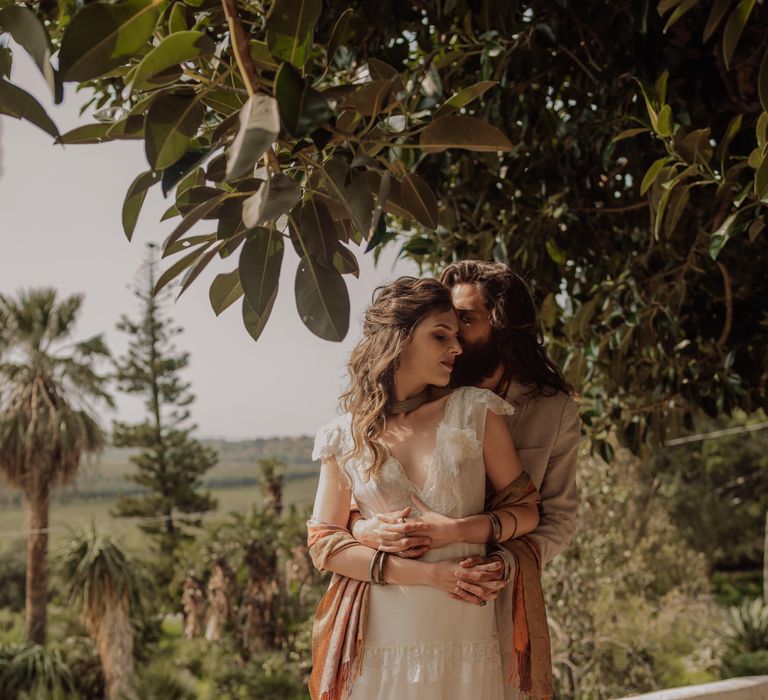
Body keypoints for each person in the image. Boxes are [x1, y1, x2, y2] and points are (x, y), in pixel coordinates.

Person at [307, 277, 550, 700]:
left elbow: (528, 511)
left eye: (456, 336)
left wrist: (459, 531)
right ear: (398, 340)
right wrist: (432, 574)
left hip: (467, 635)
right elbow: (325, 544)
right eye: (440, 336)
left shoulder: (475, 411)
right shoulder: (344, 436)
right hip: (382, 641)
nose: (456, 348)